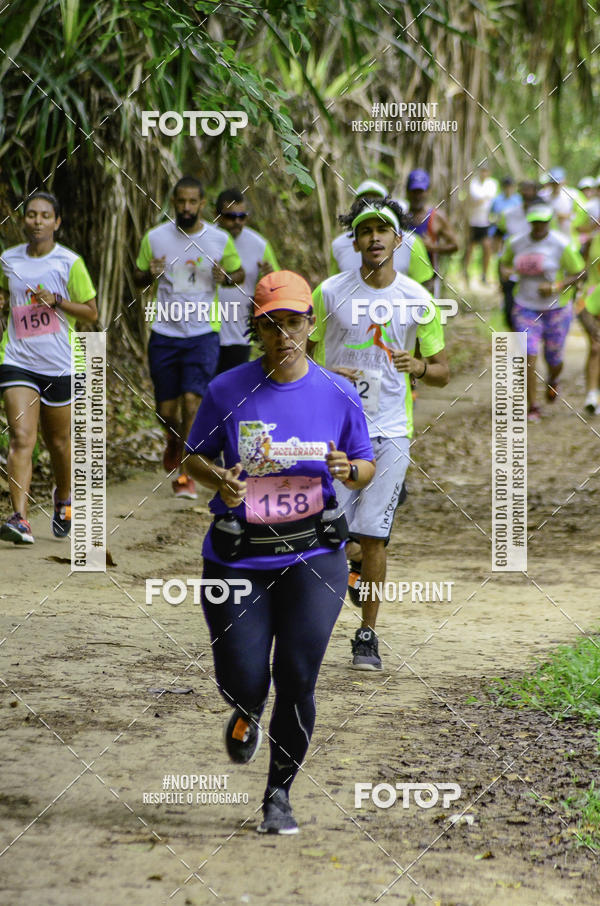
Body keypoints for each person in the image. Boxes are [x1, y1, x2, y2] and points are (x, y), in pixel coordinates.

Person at [184, 270, 375, 834]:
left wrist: (349, 470)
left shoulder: (337, 392)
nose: (283, 334)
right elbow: (193, 455)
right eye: (271, 325)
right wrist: (220, 478)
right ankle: (245, 712)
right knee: (243, 678)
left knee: (297, 676)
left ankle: (278, 795)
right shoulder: (227, 389)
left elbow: (364, 464)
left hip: (313, 554)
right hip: (238, 556)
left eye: (293, 322)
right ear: (257, 330)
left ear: (310, 327)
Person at [311, 198, 449, 670]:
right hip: (335, 430)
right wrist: (329, 373)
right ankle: (311, 620)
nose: (374, 238)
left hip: (391, 431)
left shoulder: (418, 299)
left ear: (396, 240)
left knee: (373, 537)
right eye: (366, 230)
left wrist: (422, 365)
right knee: (326, 532)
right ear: (355, 240)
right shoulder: (328, 293)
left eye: (382, 230)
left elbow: (445, 371)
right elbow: (297, 356)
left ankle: (366, 635)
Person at [134, 176, 244, 499]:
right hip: (165, 332)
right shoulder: (155, 238)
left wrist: (225, 277)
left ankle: (185, 474)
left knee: (192, 401)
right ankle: (174, 439)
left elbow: (238, 274)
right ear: (173, 202)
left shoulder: (219, 240)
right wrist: (148, 274)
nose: (186, 207)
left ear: (201, 204)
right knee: (166, 410)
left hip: (203, 333)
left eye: (192, 202)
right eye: (180, 201)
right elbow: (137, 277)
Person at [0, 191, 97, 544]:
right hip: (17, 359)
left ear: (56, 222)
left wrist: (58, 301)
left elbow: (92, 312)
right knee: (22, 437)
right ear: (24, 220)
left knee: (58, 442)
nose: (37, 221)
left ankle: (63, 498)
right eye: (31, 215)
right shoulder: (8, 259)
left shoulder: (69, 262)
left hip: (60, 364)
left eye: (45, 216)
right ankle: (20, 518)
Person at [499, 203, 585, 421]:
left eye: (543, 222)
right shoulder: (517, 242)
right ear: (530, 223)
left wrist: (556, 286)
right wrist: (507, 273)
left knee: (554, 358)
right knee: (529, 353)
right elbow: (504, 264)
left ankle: (553, 379)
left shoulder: (560, 244)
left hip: (556, 308)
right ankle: (533, 406)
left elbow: (579, 272)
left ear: (549, 222)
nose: (538, 226)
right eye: (535, 222)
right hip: (525, 306)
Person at [214, 187, 279, 373]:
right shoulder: (205, 238)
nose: (237, 222)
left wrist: (269, 276)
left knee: (233, 394)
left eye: (242, 216)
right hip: (205, 330)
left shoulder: (259, 244)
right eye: (230, 217)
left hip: (239, 333)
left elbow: (277, 286)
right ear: (216, 215)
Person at [331, 180, 434, 289]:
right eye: (364, 200)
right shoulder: (338, 245)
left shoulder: (411, 242)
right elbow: (334, 286)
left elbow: (425, 287)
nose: (369, 205)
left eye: (376, 200)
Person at [405, 168, 459, 292]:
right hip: (405, 281)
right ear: (407, 192)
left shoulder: (437, 217)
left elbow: (455, 245)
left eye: (421, 191)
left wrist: (434, 248)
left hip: (429, 282)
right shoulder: (400, 218)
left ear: (428, 192)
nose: (417, 196)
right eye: (414, 191)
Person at [494, 180, 539, 328]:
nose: (527, 193)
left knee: (532, 314)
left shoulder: (545, 216)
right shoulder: (509, 214)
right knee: (509, 311)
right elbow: (498, 235)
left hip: (538, 274)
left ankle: (529, 347)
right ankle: (514, 348)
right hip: (512, 271)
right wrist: (500, 260)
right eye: (524, 190)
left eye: (530, 190)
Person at [463, 163, 497, 284]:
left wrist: (482, 199)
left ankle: (484, 275)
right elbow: (475, 198)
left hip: (485, 223)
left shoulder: (492, 184)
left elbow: (489, 198)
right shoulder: (473, 183)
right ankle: (465, 273)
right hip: (472, 222)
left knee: (487, 248)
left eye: (486, 171)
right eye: (482, 171)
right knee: (469, 249)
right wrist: (483, 199)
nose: (484, 173)